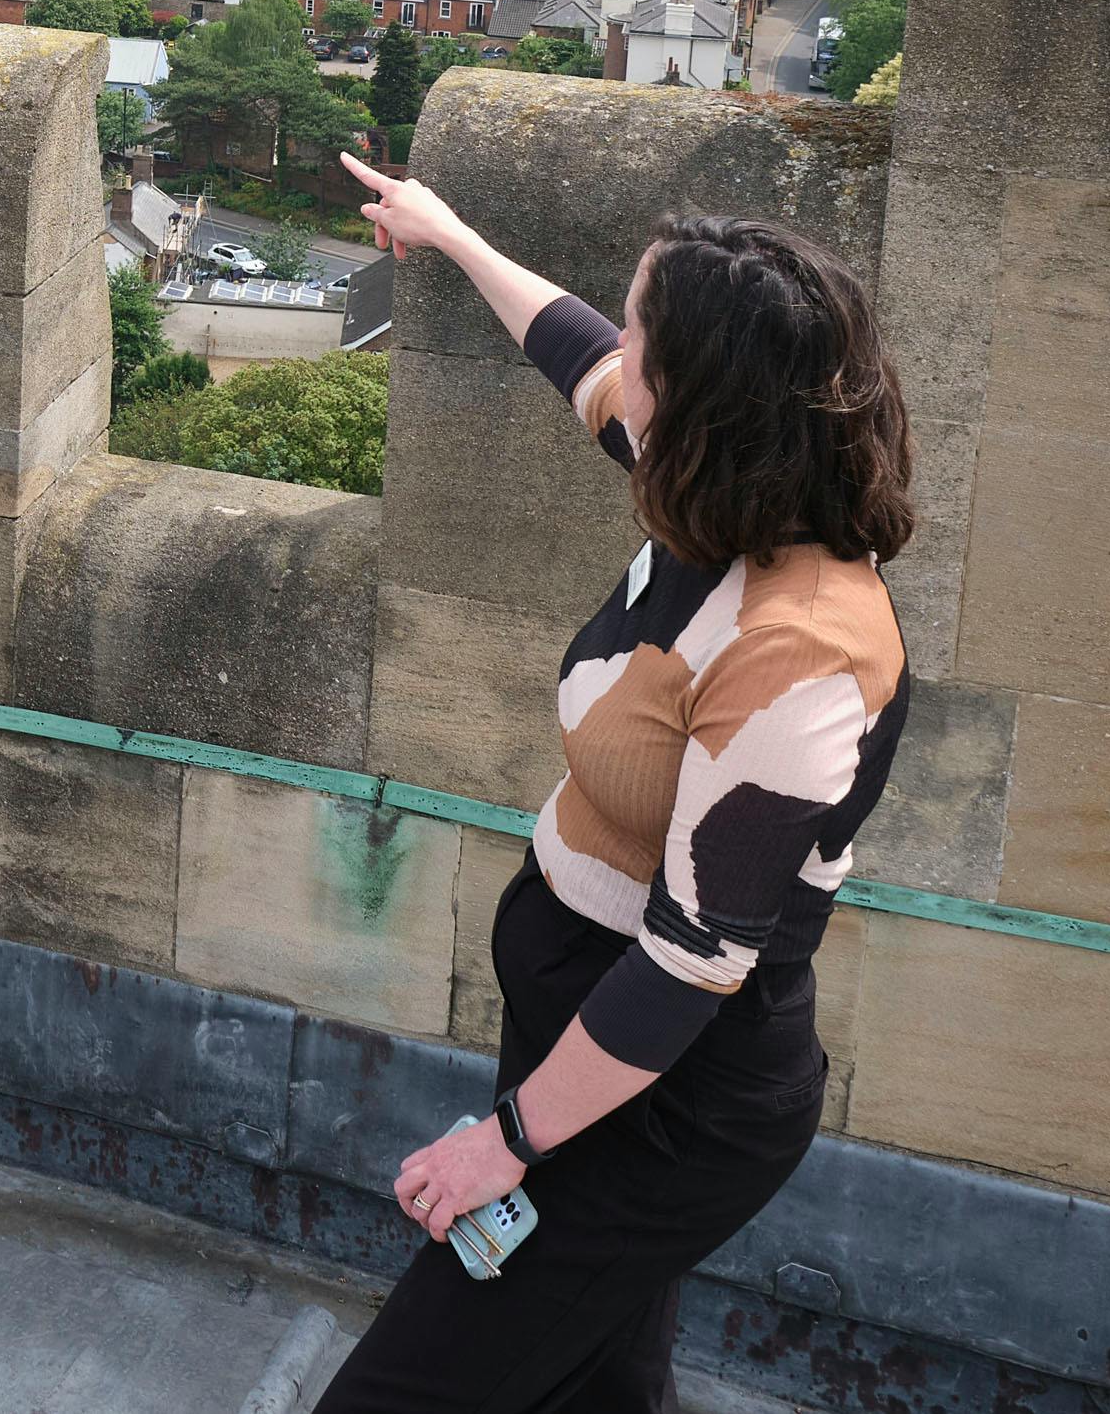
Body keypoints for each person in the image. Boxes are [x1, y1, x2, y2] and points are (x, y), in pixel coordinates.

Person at [317, 149, 917, 1414]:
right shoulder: (714, 490)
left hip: (670, 1097)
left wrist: (506, 1142)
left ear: (702, 402)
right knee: (600, 1386)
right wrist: (451, 234)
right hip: (587, 1037)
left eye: (646, 337)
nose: (621, 355)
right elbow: (575, 351)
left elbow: (693, 962)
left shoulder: (800, 649)